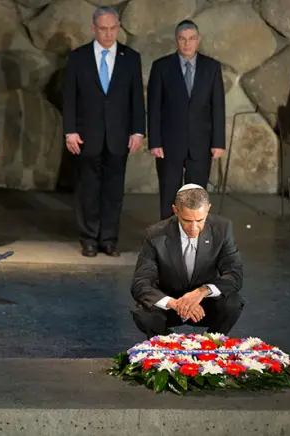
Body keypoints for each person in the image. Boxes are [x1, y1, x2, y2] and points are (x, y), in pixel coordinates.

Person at [62, 7, 145, 258]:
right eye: (103, 29)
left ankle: (108, 239)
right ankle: (88, 238)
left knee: (113, 191)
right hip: (87, 135)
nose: (108, 34)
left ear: (118, 28)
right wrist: (70, 131)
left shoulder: (130, 57)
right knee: (88, 189)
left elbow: (136, 98)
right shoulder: (78, 57)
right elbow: (70, 97)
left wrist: (138, 131)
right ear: (93, 29)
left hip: (119, 136)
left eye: (113, 28)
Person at [130, 184, 244, 339]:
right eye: (186, 220)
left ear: (208, 209)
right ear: (175, 210)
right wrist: (176, 304)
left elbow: (234, 275)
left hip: (205, 304)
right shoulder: (155, 234)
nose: (193, 227)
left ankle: (210, 344)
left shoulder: (222, 228)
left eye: (199, 220)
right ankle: (169, 345)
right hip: (171, 303)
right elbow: (140, 283)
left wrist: (201, 292)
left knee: (233, 303)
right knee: (142, 313)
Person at [147, 20, 225, 220]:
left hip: (201, 144)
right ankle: (168, 241)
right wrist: (155, 141)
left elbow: (217, 106)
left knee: (197, 197)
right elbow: (154, 107)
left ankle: (194, 242)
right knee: (169, 196)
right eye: (182, 39)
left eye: (191, 39)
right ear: (176, 40)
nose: (187, 44)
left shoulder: (212, 67)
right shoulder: (161, 67)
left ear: (198, 40)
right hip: (169, 144)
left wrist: (218, 143)